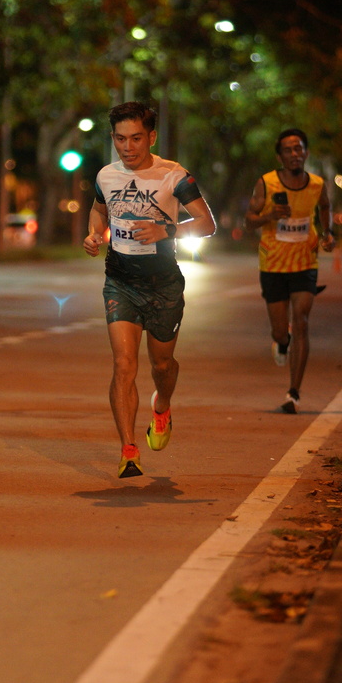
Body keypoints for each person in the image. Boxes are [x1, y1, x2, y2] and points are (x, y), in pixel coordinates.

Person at [83, 101, 216, 478]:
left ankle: (163, 407)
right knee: (124, 364)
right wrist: (94, 234)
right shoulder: (106, 175)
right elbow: (99, 210)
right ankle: (128, 450)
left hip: (163, 284)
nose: (127, 147)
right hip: (121, 280)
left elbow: (207, 224)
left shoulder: (174, 175)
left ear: (151, 137)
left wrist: (166, 230)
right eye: (120, 139)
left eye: (136, 138)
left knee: (162, 365)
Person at [244, 128, 335, 414]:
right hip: (273, 264)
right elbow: (249, 221)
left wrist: (328, 233)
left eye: (299, 148)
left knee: (302, 322)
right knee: (280, 331)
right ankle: (282, 343)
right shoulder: (267, 183)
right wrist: (270, 215)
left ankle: (293, 392)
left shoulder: (317, 184)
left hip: (305, 263)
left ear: (306, 152)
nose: (294, 154)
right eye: (288, 150)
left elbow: (325, 207)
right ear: (279, 156)